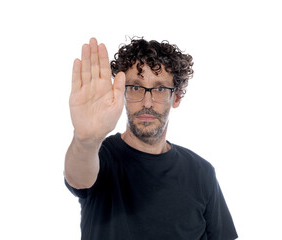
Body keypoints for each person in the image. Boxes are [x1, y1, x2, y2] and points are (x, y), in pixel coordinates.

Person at [64, 37, 238, 240]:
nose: (147, 102)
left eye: (160, 89)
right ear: (122, 93)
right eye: (136, 88)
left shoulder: (202, 172)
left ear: (177, 97)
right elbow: (78, 177)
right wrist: (86, 139)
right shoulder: (101, 156)